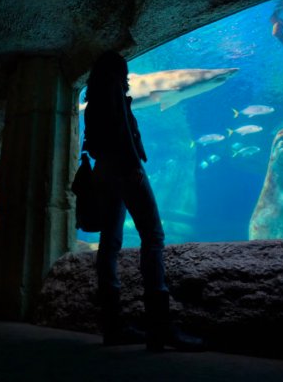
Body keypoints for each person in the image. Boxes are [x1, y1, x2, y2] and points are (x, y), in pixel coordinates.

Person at [82, 50, 205, 352]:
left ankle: (113, 326)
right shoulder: (115, 91)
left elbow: (95, 140)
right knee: (153, 237)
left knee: (109, 245)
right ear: (119, 71)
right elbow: (122, 131)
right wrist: (134, 166)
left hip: (103, 171)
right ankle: (160, 328)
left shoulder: (92, 98)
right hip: (126, 169)